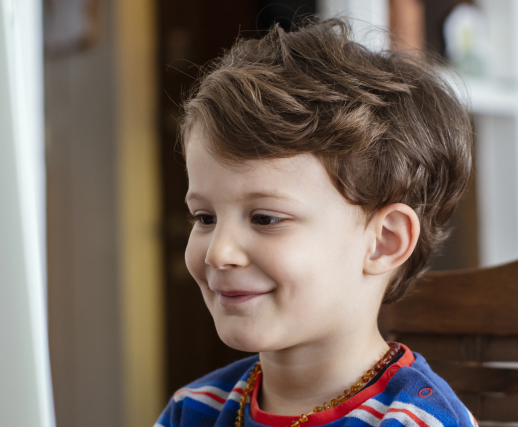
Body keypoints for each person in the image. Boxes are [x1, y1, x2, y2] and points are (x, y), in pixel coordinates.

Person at [156, 17, 476, 427]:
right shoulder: (194, 408)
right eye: (205, 217)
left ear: (384, 242)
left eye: (265, 218)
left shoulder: (416, 420)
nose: (219, 252)